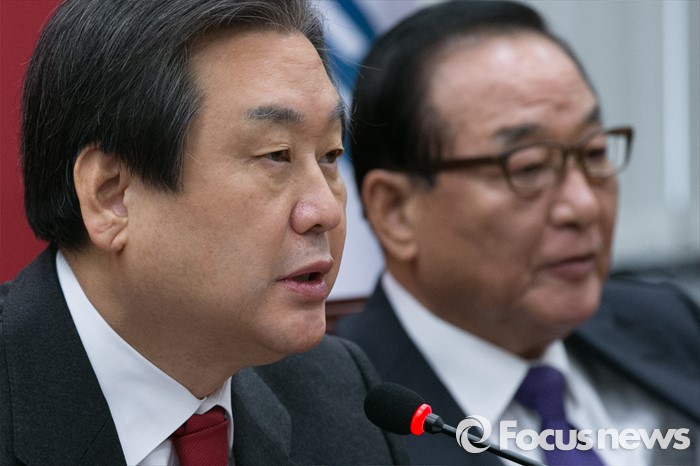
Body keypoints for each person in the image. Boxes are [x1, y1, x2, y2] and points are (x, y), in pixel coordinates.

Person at [0, 1, 409, 464]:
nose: (326, 212)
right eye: (276, 155)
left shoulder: (342, 395)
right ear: (112, 196)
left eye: (331, 155)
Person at [334, 1, 699, 465]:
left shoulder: (667, 325)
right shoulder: (330, 413)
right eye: (528, 167)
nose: (583, 206)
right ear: (396, 211)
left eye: (593, 153)